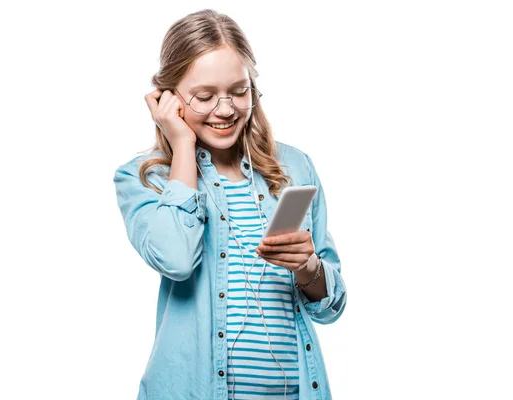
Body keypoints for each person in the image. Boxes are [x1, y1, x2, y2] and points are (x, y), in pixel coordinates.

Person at [113, 9, 347, 400]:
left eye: (239, 91)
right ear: (168, 98)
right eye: (204, 97)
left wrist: (309, 268)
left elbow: (330, 308)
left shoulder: (294, 168)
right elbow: (177, 258)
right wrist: (183, 145)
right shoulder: (144, 178)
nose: (225, 110)